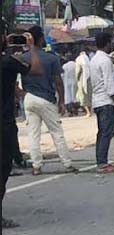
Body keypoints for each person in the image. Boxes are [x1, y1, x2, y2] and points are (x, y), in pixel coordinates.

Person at [20, 26, 77, 176]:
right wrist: (62, 101)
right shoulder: (51, 58)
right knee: (56, 132)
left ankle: (36, 166)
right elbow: (58, 81)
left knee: (33, 134)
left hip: (29, 97)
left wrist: (22, 94)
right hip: (46, 98)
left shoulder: (22, 58)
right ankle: (67, 163)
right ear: (40, 39)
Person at [2, 31, 33, 228]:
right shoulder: (8, 62)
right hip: (4, 123)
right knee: (4, 166)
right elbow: (33, 69)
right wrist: (31, 46)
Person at [89, 32, 114, 173]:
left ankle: (101, 160)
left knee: (102, 132)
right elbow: (109, 84)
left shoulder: (94, 59)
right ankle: (102, 163)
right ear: (107, 43)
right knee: (106, 132)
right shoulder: (105, 61)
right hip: (106, 100)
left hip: (98, 100)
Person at [75, 47, 92, 117]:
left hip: (82, 80)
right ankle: (89, 111)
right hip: (88, 79)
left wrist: (76, 78)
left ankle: (88, 112)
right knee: (89, 96)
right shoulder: (88, 60)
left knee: (83, 97)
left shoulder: (79, 60)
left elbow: (77, 71)